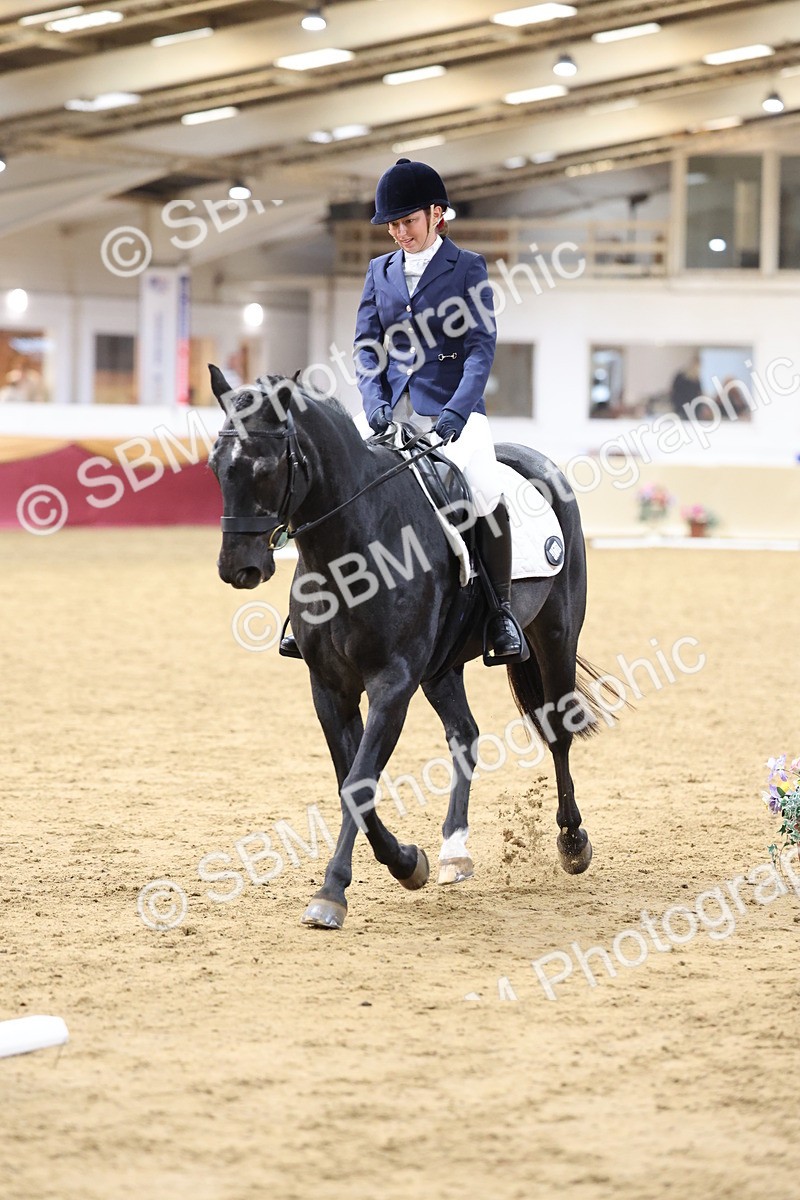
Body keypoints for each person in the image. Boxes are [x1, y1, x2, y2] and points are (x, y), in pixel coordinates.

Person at [281, 158, 524, 663]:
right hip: (393, 413)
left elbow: (481, 346)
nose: (399, 233)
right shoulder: (379, 271)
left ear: (437, 214)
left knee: (483, 490)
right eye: (392, 225)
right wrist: (374, 402)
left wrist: (458, 410)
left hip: (453, 410)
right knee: (351, 494)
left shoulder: (468, 266)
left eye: (407, 221)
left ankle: (500, 612)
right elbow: (367, 344)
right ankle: (307, 610)